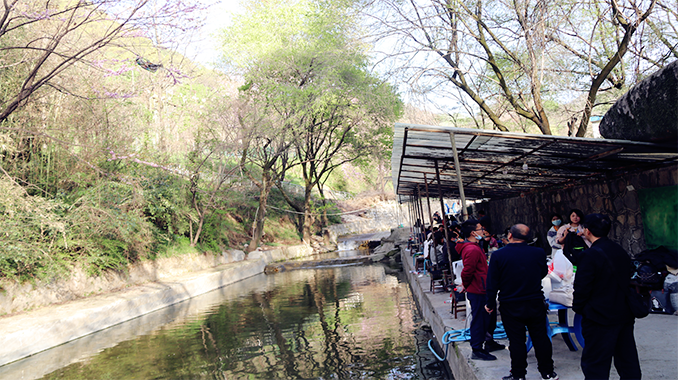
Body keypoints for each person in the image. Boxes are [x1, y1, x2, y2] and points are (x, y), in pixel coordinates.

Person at [485, 224, 558, 380]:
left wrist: (490, 304)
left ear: (510, 235)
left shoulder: (499, 255)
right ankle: (548, 373)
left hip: (510, 304)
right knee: (541, 338)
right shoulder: (538, 252)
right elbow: (543, 272)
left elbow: (492, 283)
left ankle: (518, 375)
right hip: (535, 301)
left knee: (516, 341)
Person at [573, 214, 641, 380]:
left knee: (596, 364)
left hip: (599, 316)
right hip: (624, 313)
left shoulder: (589, 255)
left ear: (587, 231)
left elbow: (582, 288)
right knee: (627, 360)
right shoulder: (620, 250)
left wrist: (580, 308)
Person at [457, 219, 503, 361]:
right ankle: (477, 349)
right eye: (480, 229)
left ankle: (489, 342)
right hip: (478, 290)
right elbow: (467, 272)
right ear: (473, 232)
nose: (483, 231)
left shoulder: (475, 246)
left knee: (489, 318)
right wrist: (466, 284)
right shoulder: (471, 249)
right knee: (480, 319)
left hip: (483, 287)